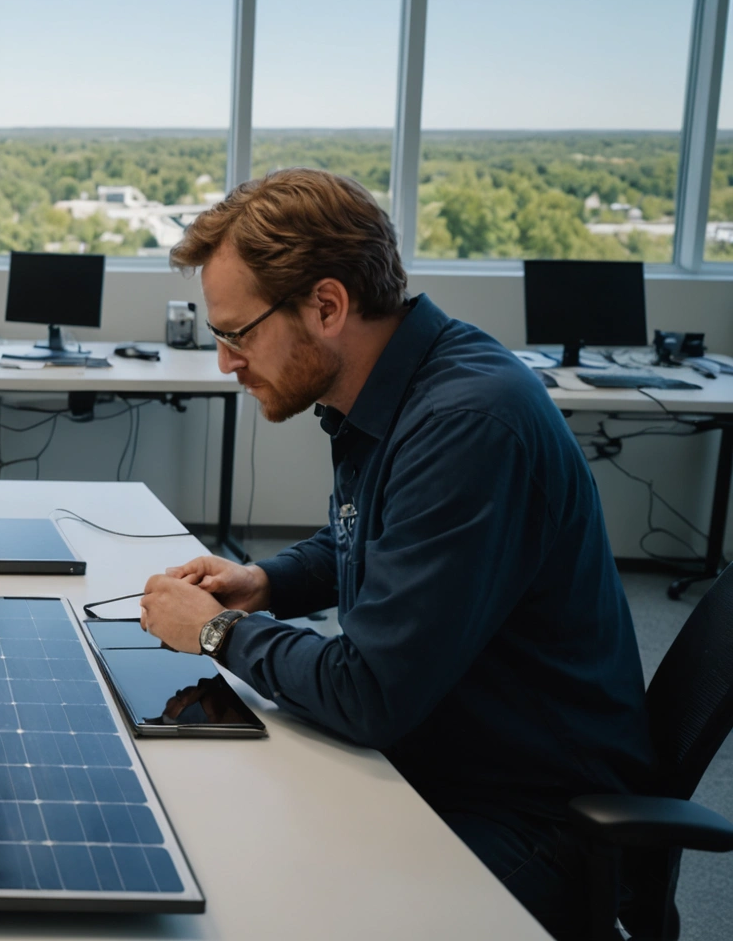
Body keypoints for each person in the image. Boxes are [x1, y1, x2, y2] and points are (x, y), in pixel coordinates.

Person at [137, 168, 654, 941]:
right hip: (441, 753)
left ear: (327, 305)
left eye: (237, 333)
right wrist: (267, 580)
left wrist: (215, 633)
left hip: (531, 816)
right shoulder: (399, 385)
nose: (225, 362)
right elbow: (373, 537)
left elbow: (369, 692)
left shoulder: (469, 423)